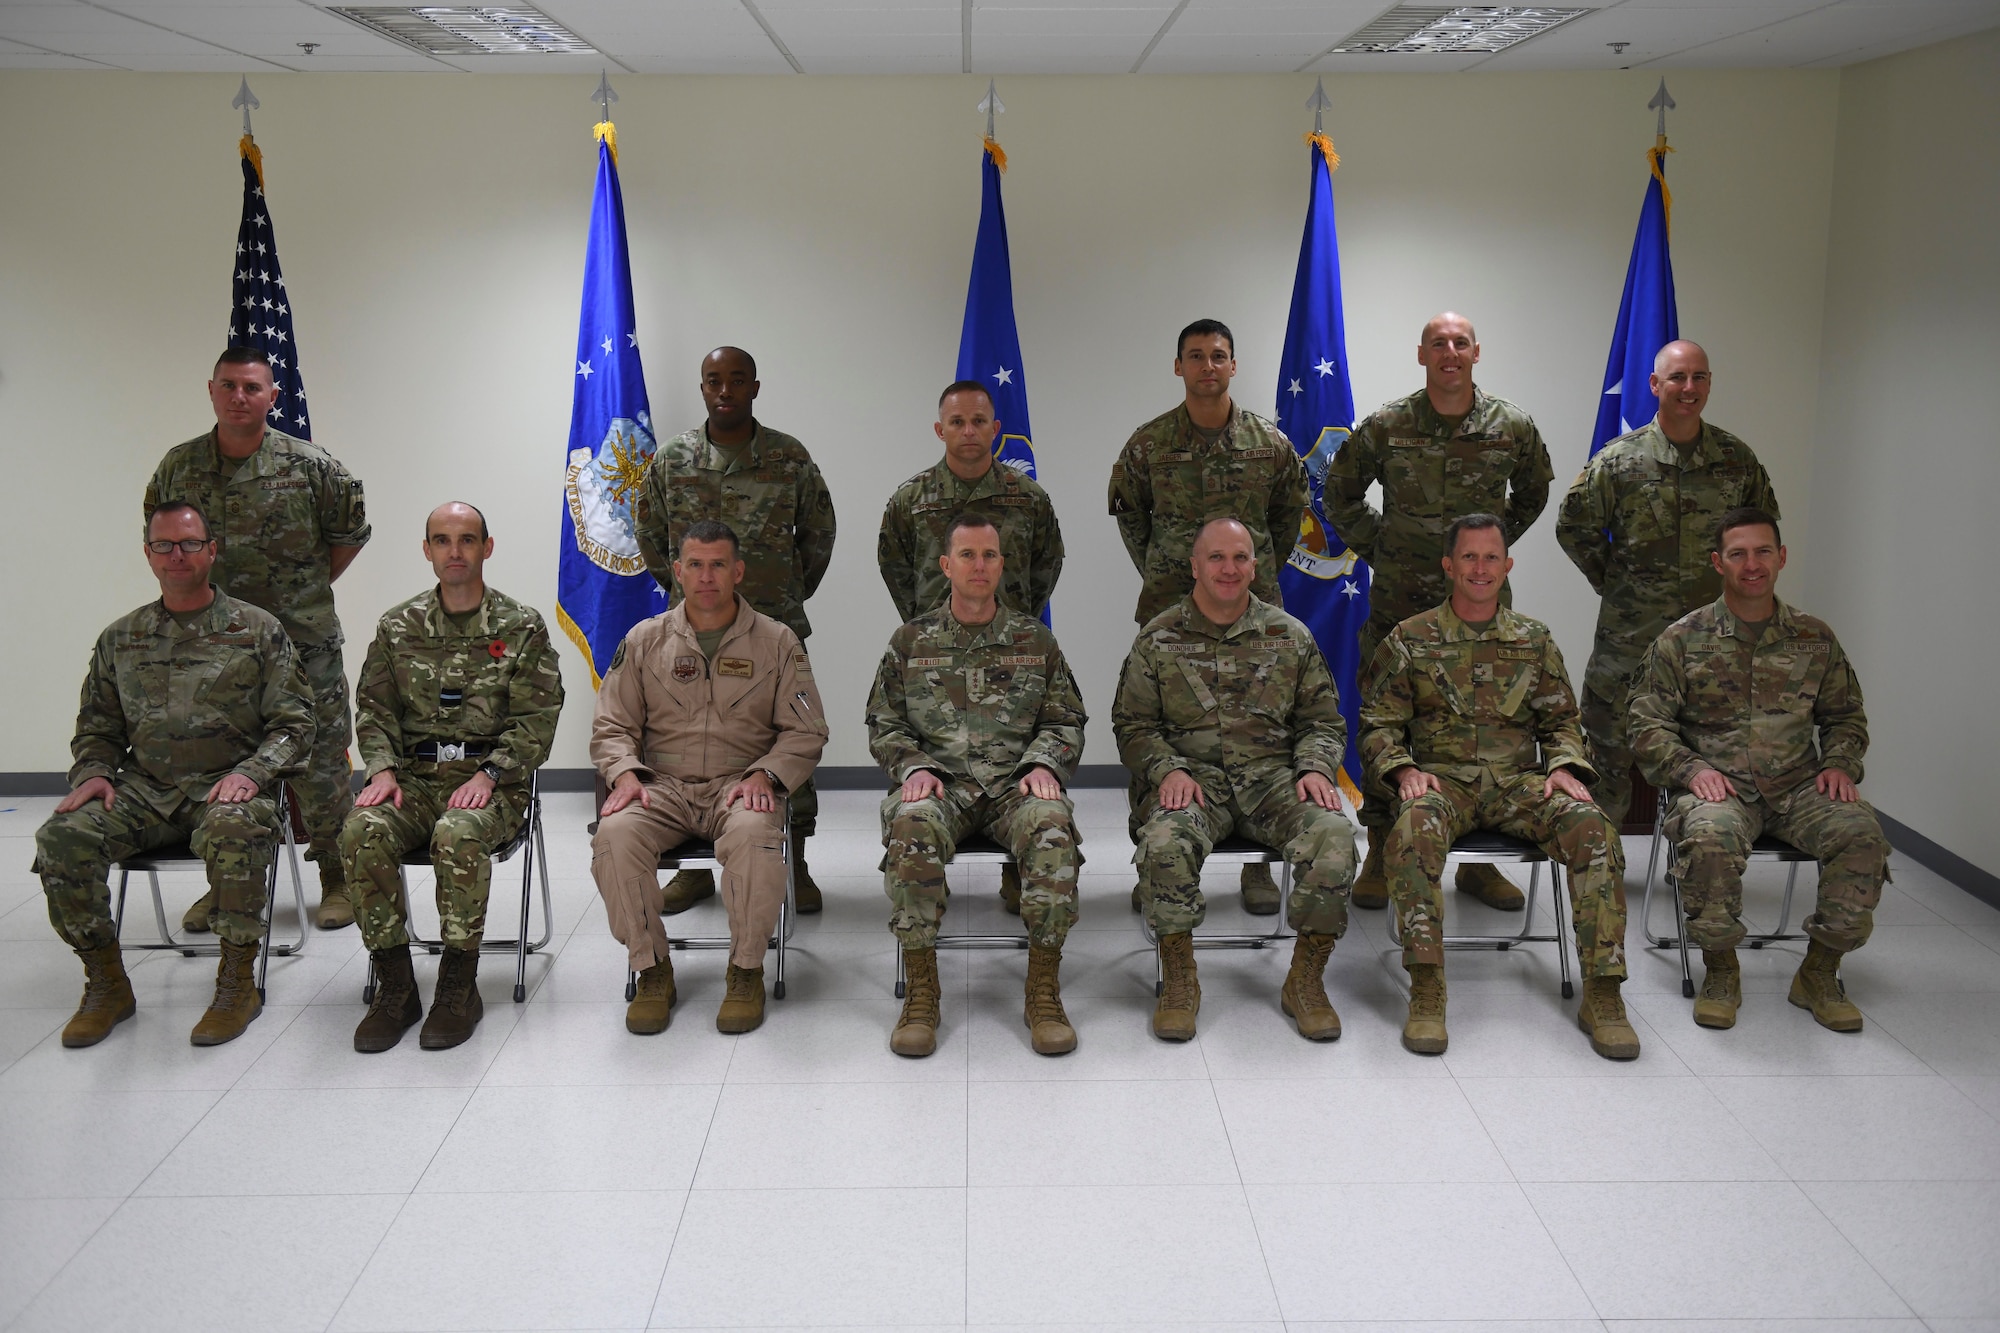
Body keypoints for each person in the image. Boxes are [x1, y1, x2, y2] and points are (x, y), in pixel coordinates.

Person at [33, 501, 314, 1047]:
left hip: (229, 787)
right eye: (163, 545)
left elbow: (296, 722)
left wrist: (255, 773)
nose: (176, 555)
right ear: (148, 554)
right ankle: (106, 982)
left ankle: (237, 982)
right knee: (62, 837)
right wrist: (92, 771)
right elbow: (97, 726)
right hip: (145, 792)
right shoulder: (121, 638)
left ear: (212, 550)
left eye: (189, 543)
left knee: (234, 829)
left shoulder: (257, 630)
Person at [1359, 513, 1638, 1060]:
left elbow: (1562, 722)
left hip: (1520, 783)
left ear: (1507, 566)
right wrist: (1403, 770)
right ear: (1449, 565)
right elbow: (1378, 724)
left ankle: (1603, 994)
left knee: (1593, 828)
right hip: (1444, 783)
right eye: (1469, 557)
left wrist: (1564, 766)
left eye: (1491, 557)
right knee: (1412, 829)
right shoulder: (1411, 639)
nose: (1480, 568)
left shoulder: (1533, 641)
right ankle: (1427, 987)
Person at [1325, 313, 1553, 915]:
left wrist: (1489, 553)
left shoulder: (1511, 426)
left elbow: (1534, 492)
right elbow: (1338, 491)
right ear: (1421, 354)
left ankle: (1479, 862)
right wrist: (1383, 547)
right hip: (1401, 599)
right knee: (1385, 717)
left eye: (1459, 343)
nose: (1449, 352)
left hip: (1480, 608)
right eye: (1438, 344)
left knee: (1484, 720)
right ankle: (1379, 846)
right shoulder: (1387, 424)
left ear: (1476, 351)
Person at [1629, 508, 1889, 1032]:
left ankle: (1819, 970)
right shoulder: (1682, 639)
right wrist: (1689, 767)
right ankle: (1721, 968)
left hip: (1799, 787)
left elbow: (1845, 717)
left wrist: (1840, 763)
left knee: (1862, 834)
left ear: (1781, 558)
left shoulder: (1814, 638)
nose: (1753, 565)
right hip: (1719, 786)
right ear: (1717, 563)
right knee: (1709, 837)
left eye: (1763, 551)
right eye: (1738, 553)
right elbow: (1645, 724)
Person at [145, 345, 370, 932]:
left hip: (303, 646)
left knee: (321, 763)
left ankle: (337, 876)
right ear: (212, 391)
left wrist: (299, 593)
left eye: (252, 387)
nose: (240, 397)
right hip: (215, 652)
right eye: (229, 386)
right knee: (220, 762)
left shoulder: (312, 466)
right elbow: (164, 536)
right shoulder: (179, 467)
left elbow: (347, 537)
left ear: (274, 396)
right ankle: (229, 881)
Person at [1112, 517, 1357, 1043]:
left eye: (1240, 557)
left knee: (1335, 835)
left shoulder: (1290, 637)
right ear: (1195, 565)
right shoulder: (1159, 639)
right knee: (1164, 841)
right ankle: (1179, 976)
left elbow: (1322, 721)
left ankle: (1306, 980)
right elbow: (1133, 726)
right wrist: (1166, 768)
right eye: (1217, 558)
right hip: (1193, 782)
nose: (1229, 569)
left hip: (1274, 782)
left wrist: (1314, 766)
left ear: (1255, 565)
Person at [339, 503, 565, 1053]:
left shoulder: (521, 625)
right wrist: (383, 769)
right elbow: (372, 707)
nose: (455, 551)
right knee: (360, 830)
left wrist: (492, 773)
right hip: (413, 778)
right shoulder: (398, 626)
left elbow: (539, 716)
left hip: (494, 780)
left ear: (488, 548)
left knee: (458, 831)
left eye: (467, 540)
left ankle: (458, 984)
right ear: (427, 551)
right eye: (442, 540)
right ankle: (395, 987)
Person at [590, 520, 828, 1036]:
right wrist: (625, 774)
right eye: (694, 565)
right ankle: (652, 970)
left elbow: (806, 730)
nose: (706, 577)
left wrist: (767, 775)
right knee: (614, 836)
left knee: (753, 835)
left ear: (738, 571)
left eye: (718, 564)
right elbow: (612, 724)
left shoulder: (777, 642)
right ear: (677, 571)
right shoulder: (645, 640)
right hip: (662, 788)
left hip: (739, 785)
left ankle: (745, 971)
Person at [1107, 319, 1309, 916]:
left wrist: (1249, 570)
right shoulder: (1148, 445)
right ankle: (1156, 856)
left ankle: (1256, 865)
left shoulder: (1269, 444)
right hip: (1170, 605)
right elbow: (1132, 517)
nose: (1207, 366)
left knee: (1258, 730)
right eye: (1195, 357)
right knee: (1154, 723)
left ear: (1233, 365)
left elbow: (1287, 515)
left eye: (1219, 356)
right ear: (1178, 367)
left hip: (1254, 609)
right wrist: (1166, 566)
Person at [867, 512, 1087, 1058]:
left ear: (1002, 564)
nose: (979, 565)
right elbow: (883, 721)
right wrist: (913, 766)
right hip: (940, 785)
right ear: (946, 565)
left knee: (1053, 827)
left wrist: (1044, 764)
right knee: (911, 827)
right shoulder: (911, 641)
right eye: (967, 555)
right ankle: (921, 990)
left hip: (1015, 785)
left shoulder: (1035, 639)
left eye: (989, 555)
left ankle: (1043, 988)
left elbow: (1066, 719)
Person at [633, 346, 836, 915]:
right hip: (690, 634)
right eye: (713, 381)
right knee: (683, 738)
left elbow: (819, 533)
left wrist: (784, 594)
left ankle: (792, 855)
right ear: (702, 388)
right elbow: (650, 535)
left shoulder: (788, 458)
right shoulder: (673, 458)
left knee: (786, 736)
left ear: (755, 387)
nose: (725, 390)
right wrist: (688, 596)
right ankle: (693, 867)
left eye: (737, 380)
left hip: (772, 627)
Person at [1557, 340, 1781, 829]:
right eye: (1678, 378)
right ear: (1655, 385)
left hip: (1712, 646)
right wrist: (1617, 585)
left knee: (1708, 764)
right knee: (1607, 761)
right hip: (1629, 644)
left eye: (1699, 377)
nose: (1689, 388)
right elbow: (1573, 527)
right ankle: (1601, 872)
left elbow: (1762, 533)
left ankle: (1698, 866)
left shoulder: (1736, 461)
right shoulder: (1619, 460)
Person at [878, 380, 1066, 918]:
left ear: (996, 429)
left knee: (1015, 751)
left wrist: (1018, 621)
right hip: (935, 655)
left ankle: (1019, 868)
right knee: (945, 752)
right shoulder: (911, 500)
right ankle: (930, 860)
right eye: (957, 422)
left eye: (979, 421)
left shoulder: (1027, 499)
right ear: (940, 430)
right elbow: (894, 566)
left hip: (1014, 653)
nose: (968, 431)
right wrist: (925, 627)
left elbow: (1046, 564)